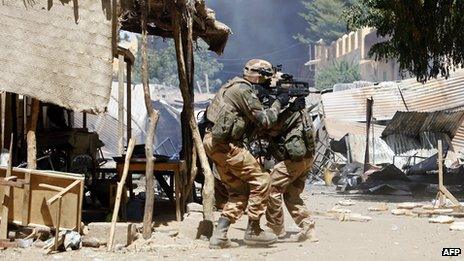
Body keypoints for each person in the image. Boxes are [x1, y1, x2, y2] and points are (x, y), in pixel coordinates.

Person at [203, 59, 290, 248]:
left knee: (240, 190)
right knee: (263, 180)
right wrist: (279, 102)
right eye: (267, 78)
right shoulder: (243, 90)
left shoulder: (232, 85)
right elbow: (265, 121)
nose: (269, 81)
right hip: (226, 146)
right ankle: (253, 230)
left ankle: (219, 236)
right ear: (260, 77)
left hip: (215, 143)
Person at [263, 95, 318, 242]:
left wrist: (277, 104)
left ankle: (275, 227)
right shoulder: (300, 109)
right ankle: (308, 229)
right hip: (305, 159)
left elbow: (272, 128)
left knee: (270, 188)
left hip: (293, 160)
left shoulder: (293, 112)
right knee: (292, 195)